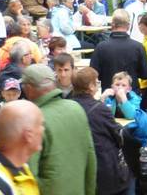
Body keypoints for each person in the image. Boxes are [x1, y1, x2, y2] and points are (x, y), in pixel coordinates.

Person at [23, 64, 97, 195]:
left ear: (28, 88)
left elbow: (29, 175)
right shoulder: (76, 108)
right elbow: (91, 158)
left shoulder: (34, 119)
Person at [70, 67, 132, 195]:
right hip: (104, 166)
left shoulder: (68, 105)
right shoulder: (100, 109)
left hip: (78, 166)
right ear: (91, 86)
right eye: (97, 81)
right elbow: (118, 135)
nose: (98, 84)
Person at [92, 10, 147, 92]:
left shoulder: (101, 47)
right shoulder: (138, 47)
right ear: (128, 26)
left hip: (109, 94)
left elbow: (94, 73)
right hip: (131, 95)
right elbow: (145, 74)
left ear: (112, 25)